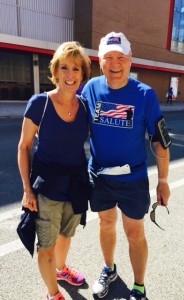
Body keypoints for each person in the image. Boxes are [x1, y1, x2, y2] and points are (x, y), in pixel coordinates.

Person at [81, 32, 171, 300]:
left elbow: (160, 139)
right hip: (100, 176)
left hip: (133, 179)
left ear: (130, 60)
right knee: (106, 224)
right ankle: (109, 269)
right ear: (100, 62)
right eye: (108, 57)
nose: (115, 63)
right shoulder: (91, 89)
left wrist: (163, 181)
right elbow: (73, 124)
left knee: (134, 232)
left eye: (121, 56)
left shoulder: (145, 95)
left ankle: (139, 287)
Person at [18, 41, 91, 300]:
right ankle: (53, 293)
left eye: (75, 69)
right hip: (47, 187)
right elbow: (24, 147)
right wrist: (27, 190)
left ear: (82, 75)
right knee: (46, 245)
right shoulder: (41, 104)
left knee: (65, 235)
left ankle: (61, 270)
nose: (70, 75)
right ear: (55, 71)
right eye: (64, 68)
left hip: (75, 185)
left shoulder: (84, 106)